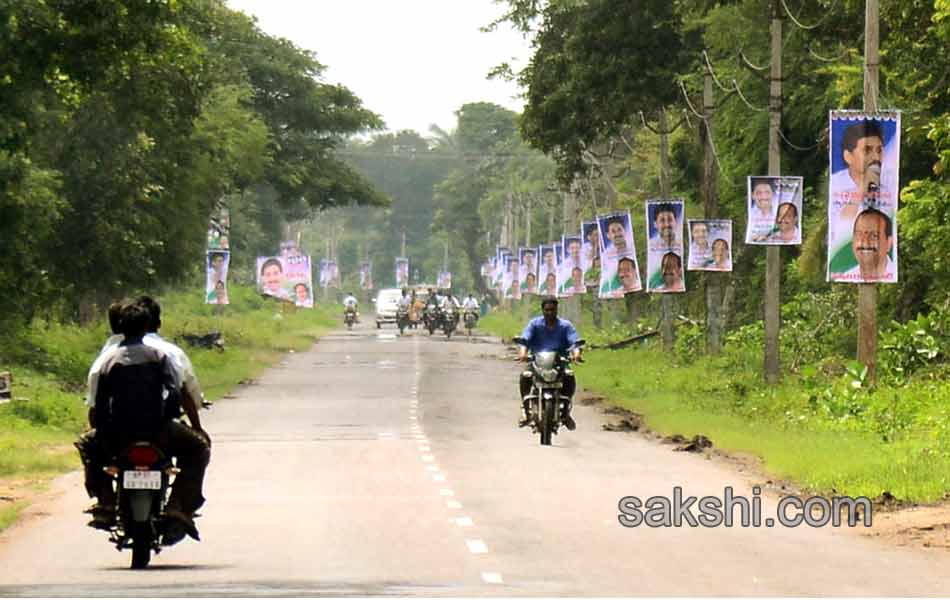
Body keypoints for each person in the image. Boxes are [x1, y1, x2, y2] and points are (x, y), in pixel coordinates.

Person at [79, 298, 211, 545]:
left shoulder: (108, 360)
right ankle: (177, 505)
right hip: (159, 430)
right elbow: (175, 391)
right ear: (148, 326)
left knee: (86, 445)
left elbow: (98, 403)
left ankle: (106, 500)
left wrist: (102, 430)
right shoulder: (160, 356)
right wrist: (175, 419)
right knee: (199, 448)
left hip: (117, 433)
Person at [516, 297, 582, 431]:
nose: (549, 313)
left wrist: (576, 354)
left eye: (552, 310)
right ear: (542, 310)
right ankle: (525, 410)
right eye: (547, 310)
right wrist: (523, 353)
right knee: (525, 376)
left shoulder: (565, 326)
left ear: (557, 310)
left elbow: (574, 342)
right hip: (537, 361)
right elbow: (525, 339)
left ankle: (566, 412)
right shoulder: (534, 324)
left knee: (570, 376)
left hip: (559, 363)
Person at [847, 208, 894, 280]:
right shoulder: (847, 277)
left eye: (874, 236)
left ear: (889, 243)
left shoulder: (902, 278)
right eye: (859, 235)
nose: (865, 242)